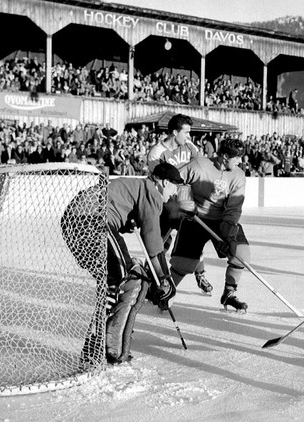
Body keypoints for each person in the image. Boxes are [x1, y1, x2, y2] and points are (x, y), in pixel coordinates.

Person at [61, 163, 183, 366]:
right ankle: (97, 347)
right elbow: (152, 241)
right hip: (93, 220)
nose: (175, 192)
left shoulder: (137, 187)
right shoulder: (152, 191)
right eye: (174, 186)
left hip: (75, 222)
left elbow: (120, 208)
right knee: (120, 280)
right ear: (163, 182)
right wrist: (163, 279)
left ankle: (107, 345)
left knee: (117, 281)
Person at [170, 138, 251, 312]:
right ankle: (164, 291)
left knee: (240, 254)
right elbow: (174, 178)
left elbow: (234, 207)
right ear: (223, 156)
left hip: (222, 220)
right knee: (184, 264)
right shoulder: (199, 165)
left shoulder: (238, 175)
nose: (240, 161)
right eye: (236, 158)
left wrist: (228, 234)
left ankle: (229, 293)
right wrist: (184, 200)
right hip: (195, 218)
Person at [146, 114, 213, 295]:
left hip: (188, 199)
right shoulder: (157, 152)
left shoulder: (188, 146)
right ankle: (151, 279)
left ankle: (200, 273)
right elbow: (160, 180)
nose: (188, 137)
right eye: (186, 132)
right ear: (175, 132)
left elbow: (201, 164)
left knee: (193, 236)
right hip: (166, 202)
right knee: (159, 242)